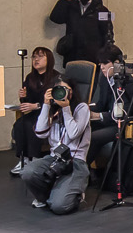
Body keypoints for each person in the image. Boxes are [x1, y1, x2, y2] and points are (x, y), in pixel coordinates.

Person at [21, 78, 92, 215]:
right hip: (55, 158)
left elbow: (73, 134)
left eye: (66, 90)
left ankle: (75, 194)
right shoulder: (53, 111)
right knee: (27, 172)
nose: (62, 94)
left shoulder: (81, 108)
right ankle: (48, 196)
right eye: (57, 91)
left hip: (74, 161)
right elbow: (40, 133)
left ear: (72, 92)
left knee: (59, 207)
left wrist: (66, 109)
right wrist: (46, 105)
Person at [11, 46, 58, 175]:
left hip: (50, 113)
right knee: (20, 124)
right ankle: (24, 159)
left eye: (40, 56)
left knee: (30, 125)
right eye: (34, 56)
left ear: (49, 59)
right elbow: (27, 102)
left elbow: (55, 101)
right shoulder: (30, 77)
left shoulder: (56, 77)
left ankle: (35, 159)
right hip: (35, 113)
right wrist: (23, 97)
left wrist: (36, 106)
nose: (36, 59)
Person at [48, 0, 114, 63]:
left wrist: (105, 56)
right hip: (73, 56)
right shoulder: (71, 6)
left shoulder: (102, 9)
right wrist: (65, 0)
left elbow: (108, 33)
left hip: (93, 57)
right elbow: (55, 18)